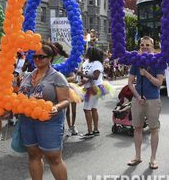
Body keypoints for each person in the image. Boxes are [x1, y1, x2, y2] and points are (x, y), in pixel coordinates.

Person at [18, 41, 70, 180]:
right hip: (27, 121)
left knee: (54, 159)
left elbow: (66, 100)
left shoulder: (57, 76)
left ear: (50, 58)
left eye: (41, 57)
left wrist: (56, 107)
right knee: (33, 155)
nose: (37, 59)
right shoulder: (28, 75)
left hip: (49, 122)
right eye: (35, 57)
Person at [127, 36, 164, 170]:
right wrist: (137, 97)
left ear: (153, 47)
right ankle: (137, 157)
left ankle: (153, 158)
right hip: (138, 100)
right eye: (142, 44)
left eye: (147, 44)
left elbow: (159, 83)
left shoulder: (158, 62)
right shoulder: (136, 62)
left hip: (153, 99)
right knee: (137, 128)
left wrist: (146, 74)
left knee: (154, 129)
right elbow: (130, 82)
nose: (144, 46)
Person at [77, 47, 105, 138]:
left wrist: (82, 75)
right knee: (93, 108)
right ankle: (95, 130)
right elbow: (86, 77)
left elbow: (95, 76)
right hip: (88, 87)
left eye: (88, 51)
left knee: (86, 109)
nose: (86, 52)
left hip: (94, 88)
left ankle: (90, 131)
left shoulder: (97, 63)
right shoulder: (85, 62)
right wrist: (81, 80)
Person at [52, 42, 78, 136]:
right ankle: (65, 126)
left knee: (73, 109)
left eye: (54, 47)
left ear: (58, 49)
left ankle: (73, 126)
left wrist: (62, 80)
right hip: (57, 89)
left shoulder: (65, 60)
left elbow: (73, 77)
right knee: (64, 110)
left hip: (70, 87)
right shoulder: (50, 60)